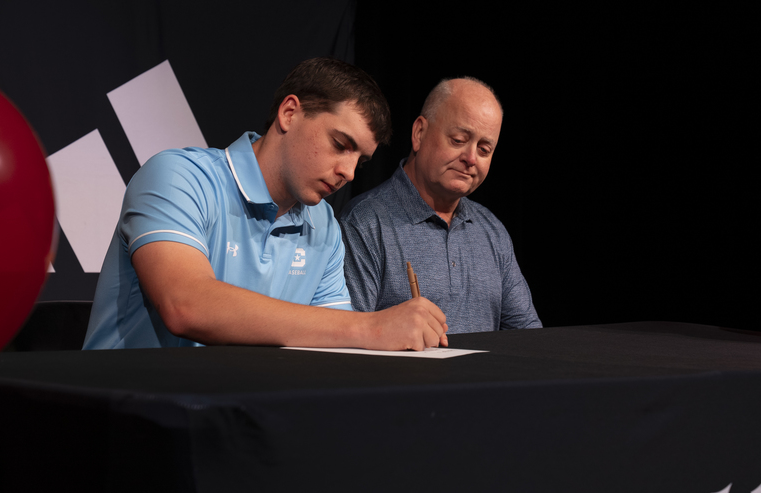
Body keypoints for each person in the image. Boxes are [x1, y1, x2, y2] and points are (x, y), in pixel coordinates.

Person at [84, 57, 447, 350]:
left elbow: (332, 345)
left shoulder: (325, 226)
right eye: (340, 144)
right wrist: (373, 327)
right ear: (289, 113)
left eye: (361, 161)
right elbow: (186, 306)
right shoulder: (177, 176)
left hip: (237, 422)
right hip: (127, 422)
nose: (349, 172)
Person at [339, 77, 541, 333]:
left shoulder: (492, 230)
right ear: (419, 134)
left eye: (484, 149)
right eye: (458, 139)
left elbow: (528, 336)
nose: (470, 158)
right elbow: (350, 340)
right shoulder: (364, 224)